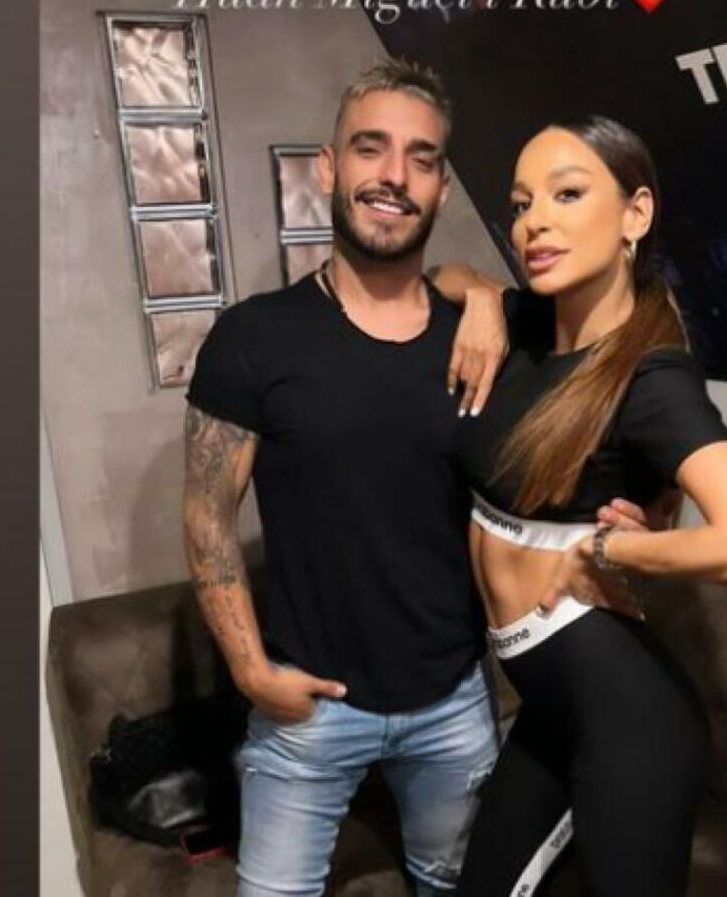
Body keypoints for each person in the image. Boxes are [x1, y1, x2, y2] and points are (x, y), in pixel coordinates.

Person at [183, 62, 651, 896]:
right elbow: (207, 513)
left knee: (454, 885)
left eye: (422, 158)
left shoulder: (489, 338)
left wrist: (636, 527)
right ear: (330, 169)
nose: (394, 175)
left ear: (440, 188)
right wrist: (251, 670)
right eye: (371, 149)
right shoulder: (252, 339)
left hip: (453, 706)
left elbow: (600, 414)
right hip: (306, 712)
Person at [433, 117, 727, 897]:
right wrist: (484, 299)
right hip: (550, 708)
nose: (534, 222)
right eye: (522, 203)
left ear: (635, 214)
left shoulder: (650, 375)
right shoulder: (528, 328)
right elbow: (445, 275)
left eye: (567, 194)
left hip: (632, 723)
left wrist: (611, 551)